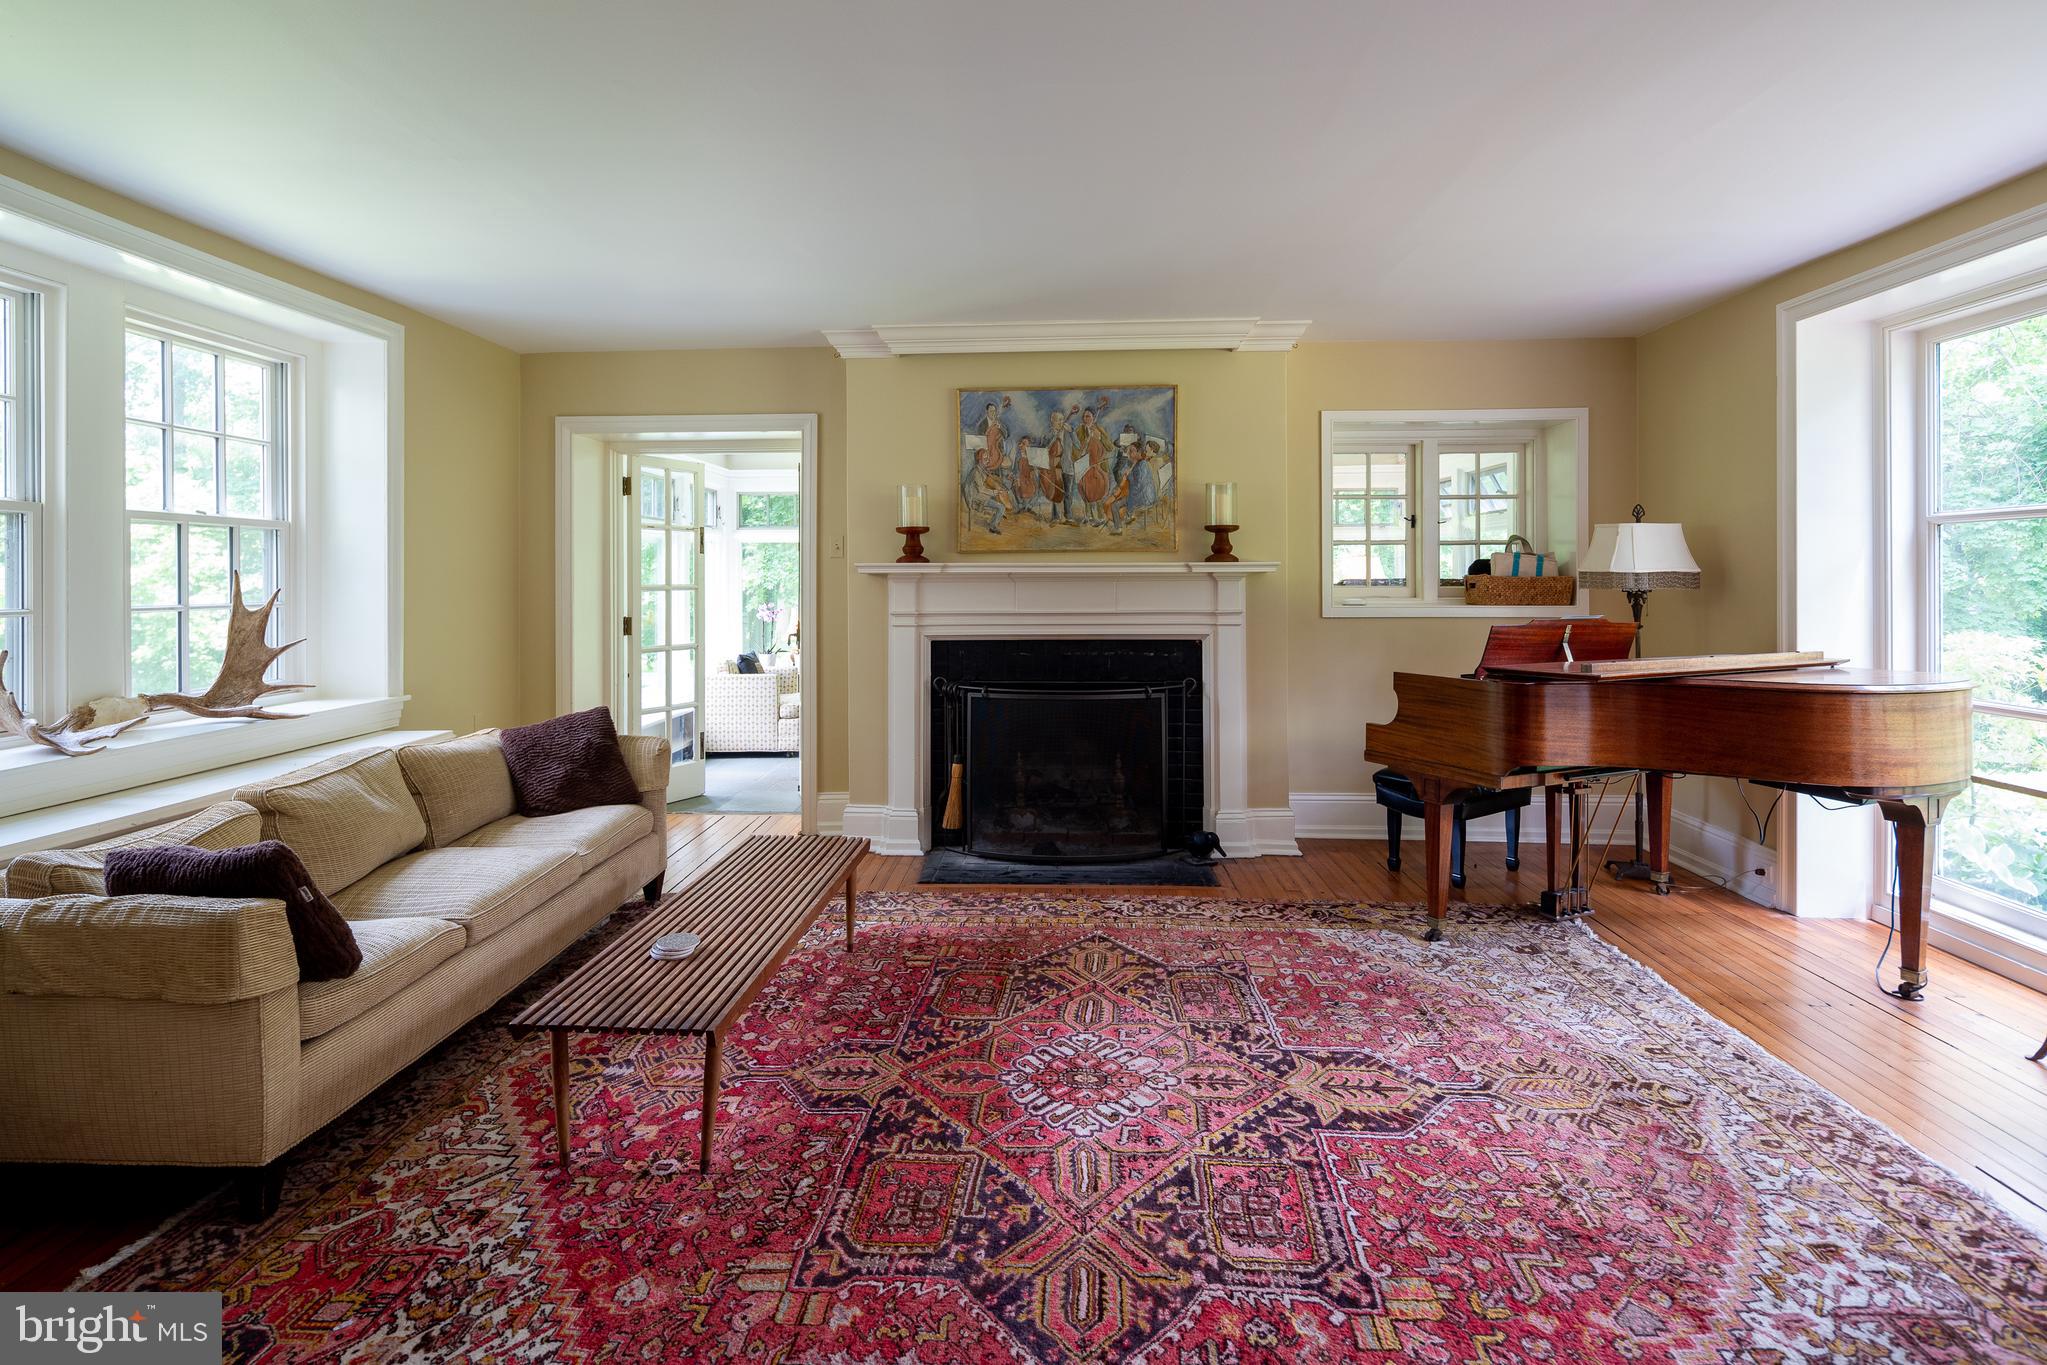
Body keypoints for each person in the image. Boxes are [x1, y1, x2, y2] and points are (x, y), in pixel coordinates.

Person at [1110, 440, 1160, 534]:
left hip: (1143, 498)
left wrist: (1128, 476)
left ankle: (1118, 528)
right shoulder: (1143, 463)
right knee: (1125, 496)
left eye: (1131, 451)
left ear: (1138, 452)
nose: (1129, 453)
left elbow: (1137, 487)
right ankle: (1129, 516)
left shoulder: (1142, 465)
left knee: (1114, 505)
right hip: (1150, 496)